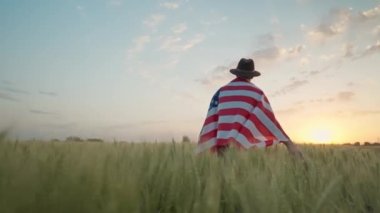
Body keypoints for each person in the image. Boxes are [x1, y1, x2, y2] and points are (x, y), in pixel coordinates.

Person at [196, 58, 302, 157]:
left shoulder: (221, 91)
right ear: (252, 76)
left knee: (223, 172)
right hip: (243, 147)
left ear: (237, 73)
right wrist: (288, 143)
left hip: (222, 144)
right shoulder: (257, 93)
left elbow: (212, 117)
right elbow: (268, 120)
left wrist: (204, 140)